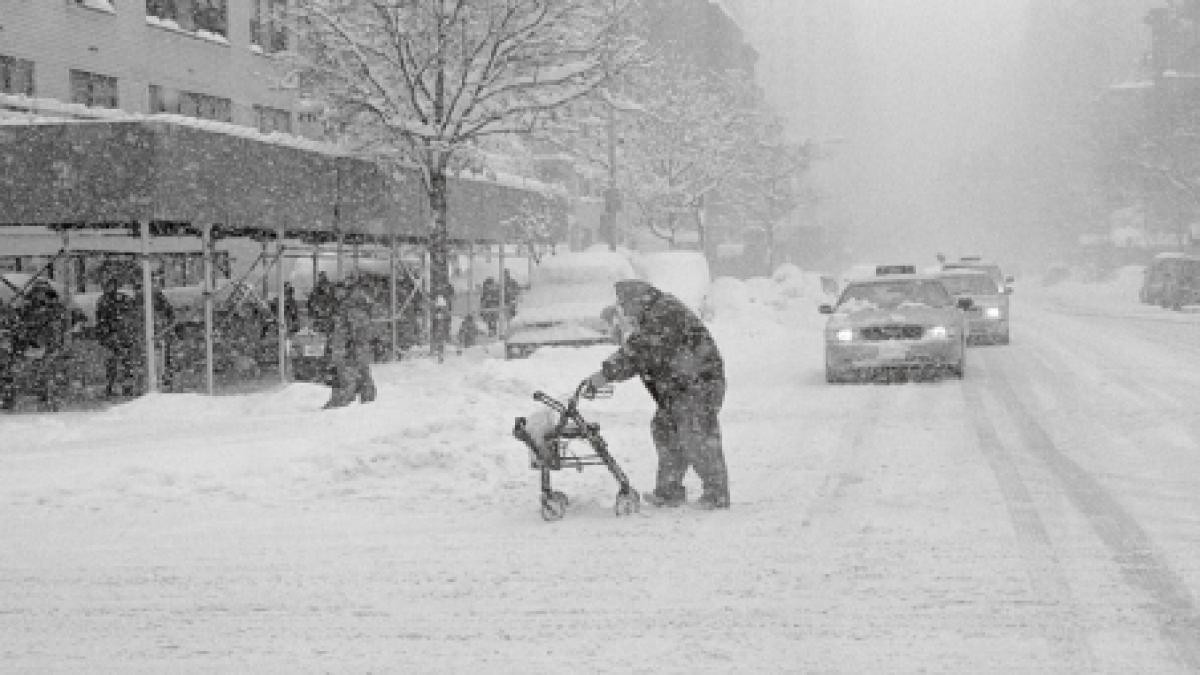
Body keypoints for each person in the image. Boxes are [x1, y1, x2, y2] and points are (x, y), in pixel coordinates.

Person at [584, 279, 729, 510]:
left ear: (638, 300)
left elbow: (639, 351)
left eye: (625, 304)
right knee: (664, 427)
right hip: (682, 386)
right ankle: (669, 491)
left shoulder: (664, 312)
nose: (625, 310)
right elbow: (641, 348)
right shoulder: (655, 312)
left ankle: (716, 493)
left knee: (695, 431)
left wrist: (604, 375)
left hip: (699, 384)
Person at [14, 281, 71, 411]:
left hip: (52, 345)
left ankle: (52, 398)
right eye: (37, 292)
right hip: (35, 346)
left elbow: (62, 322)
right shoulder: (27, 308)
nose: (40, 295)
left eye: (42, 292)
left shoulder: (56, 308)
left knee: (51, 373)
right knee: (39, 373)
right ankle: (43, 397)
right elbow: (21, 324)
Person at [323, 278, 378, 409]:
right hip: (352, 348)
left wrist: (349, 347)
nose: (336, 294)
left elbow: (357, 333)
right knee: (360, 373)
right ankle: (366, 399)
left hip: (351, 349)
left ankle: (344, 401)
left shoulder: (351, 308)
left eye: (338, 290)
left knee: (350, 375)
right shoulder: (349, 306)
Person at [95, 277, 139, 397]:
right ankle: (111, 386)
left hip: (121, 336)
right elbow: (101, 320)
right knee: (113, 363)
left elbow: (131, 311)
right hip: (111, 337)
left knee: (126, 362)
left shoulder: (121, 298)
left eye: (112, 285)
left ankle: (126, 386)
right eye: (108, 285)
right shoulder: (103, 301)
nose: (110, 288)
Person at [307, 271, 337, 336]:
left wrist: (328, 309)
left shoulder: (331, 288)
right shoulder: (316, 290)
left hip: (328, 317)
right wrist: (317, 309)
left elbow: (333, 301)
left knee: (329, 332)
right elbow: (312, 302)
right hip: (318, 317)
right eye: (320, 277)